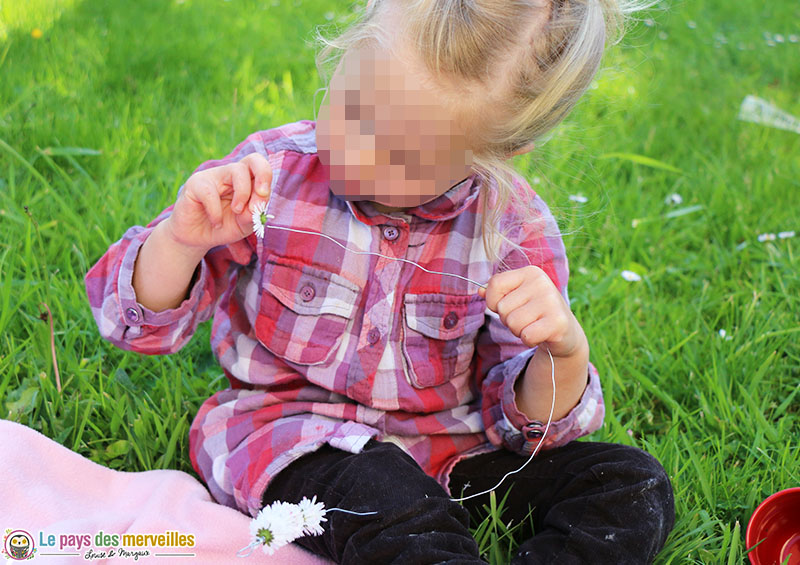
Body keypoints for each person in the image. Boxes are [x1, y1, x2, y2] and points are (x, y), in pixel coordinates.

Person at [85, 0, 674, 562]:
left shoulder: (511, 232)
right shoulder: (274, 177)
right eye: (353, 107)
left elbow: (526, 430)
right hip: (295, 443)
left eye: (403, 156)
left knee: (628, 485)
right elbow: (134, 328)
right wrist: (183, 241)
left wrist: (562, 352)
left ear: (498, 151)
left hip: (451, 453)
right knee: (384, 498)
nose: (357, 151)